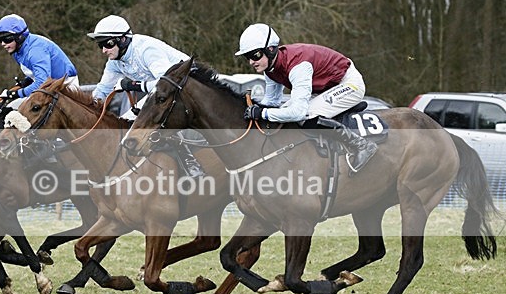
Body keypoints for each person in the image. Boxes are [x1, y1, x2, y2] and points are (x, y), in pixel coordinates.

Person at [237, 23, 377, 173]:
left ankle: (361, 145)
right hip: (327, 87)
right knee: (284, 112)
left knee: (306, 115)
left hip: (349, 83)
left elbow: (298, 112)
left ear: (270, 50)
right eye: (247, 57)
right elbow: (272, 103)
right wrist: (255, 110)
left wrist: (262, 113)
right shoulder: (270, 70)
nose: (251, 61)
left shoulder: (298, 66)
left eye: (255, 55)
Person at [87, 14, 204, 177]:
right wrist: (87, 111)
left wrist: (130, 85)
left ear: (122, 40)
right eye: (100, 44)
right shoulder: (114, 62)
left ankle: (190, 163)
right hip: (161, 95)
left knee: (156, 120)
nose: (103, 50)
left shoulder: (146, 49)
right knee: (125, 124)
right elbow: (102, 90)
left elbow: (165, 85)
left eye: (107, 43)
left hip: (187, 88)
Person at [0, 13, 79, 110]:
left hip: (64, 87)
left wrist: (15, 94)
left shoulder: (35, 51)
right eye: (0, 39)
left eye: (6, 39)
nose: (3, 44)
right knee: (12, 108)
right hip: (47, 88)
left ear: (19, 37)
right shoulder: (17, 50)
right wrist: (25, 82)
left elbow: (42, 83)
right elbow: (36, 74)